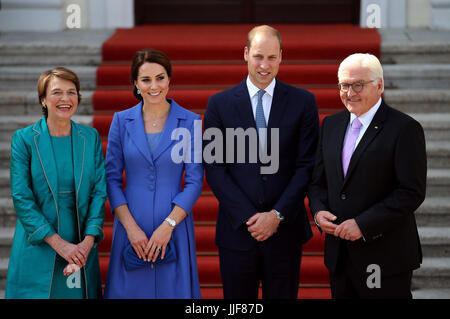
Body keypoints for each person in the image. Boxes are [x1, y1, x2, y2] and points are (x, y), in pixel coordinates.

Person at [203, 25, 320, 299]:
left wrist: (276, 215)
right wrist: (249, 217)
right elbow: (215, 168)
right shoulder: (219, 104)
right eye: (258, 56)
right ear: (245, 54)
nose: (264, 65)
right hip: (236, 233)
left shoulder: (303, 102)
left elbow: (307, 166)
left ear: (281, 57)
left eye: (271, 57)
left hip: (286, 232)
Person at [308, 53, 427, 299]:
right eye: (344, 85)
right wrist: (319, 213)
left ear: (379, 86)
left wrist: (363, 225)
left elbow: (410, 192)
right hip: (340, 256)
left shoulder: (405, 128)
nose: (350, 92)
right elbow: (317, 182)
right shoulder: (330, 124)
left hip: (385, 257)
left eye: (358, 85)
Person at [103, 48, 203, 299]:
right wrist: (131, 228)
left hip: (174, 226)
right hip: (130, 225)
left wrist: (168, 226)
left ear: (169, 79)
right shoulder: (120, 121)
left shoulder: (191, 122)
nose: (154, 85)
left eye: (160, 78)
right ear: (136, 84)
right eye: (146, 80)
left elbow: (194, 180)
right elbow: (112, 178)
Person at [6, 67, 106, 299]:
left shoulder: (89, 138)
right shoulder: (24, 139)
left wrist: (88, 241)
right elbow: (22, 197)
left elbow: (99, 192)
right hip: (39, 241)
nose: (65, 99)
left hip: (80, 242)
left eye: (71, 92)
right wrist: (59, 244)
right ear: (43, 99)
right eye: (57, 92)